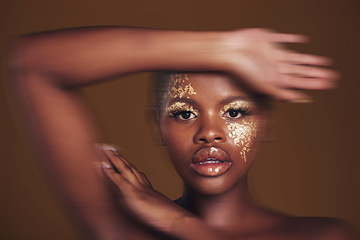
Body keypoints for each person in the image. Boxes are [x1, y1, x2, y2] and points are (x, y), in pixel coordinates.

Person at [7, 26, 357, 239]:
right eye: (184, 113)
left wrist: (180, 225)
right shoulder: (125, 231)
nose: (209, 133)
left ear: (266, 124)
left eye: (234, 112)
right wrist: (223, 49)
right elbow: (34, 62)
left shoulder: (323, 236)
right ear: (157, 124)